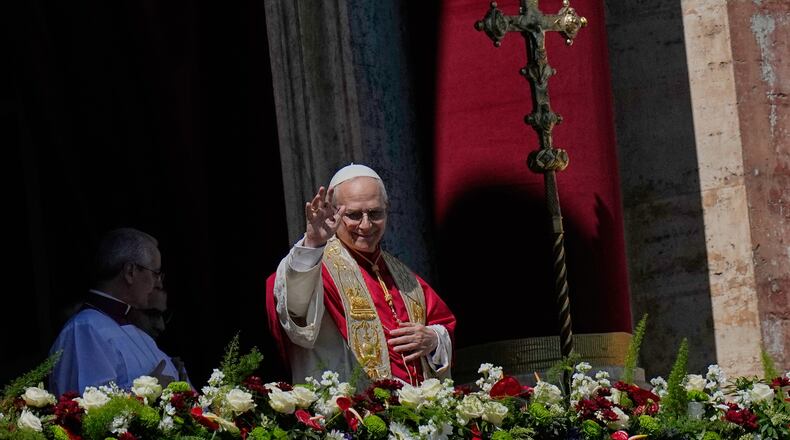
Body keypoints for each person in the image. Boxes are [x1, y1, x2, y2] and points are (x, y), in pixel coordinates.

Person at [267, 164, 456, 385]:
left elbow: (443, 324)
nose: (366, 225)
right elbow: (295, 311)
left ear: (387, 209)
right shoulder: (313, 264)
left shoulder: (403, 277)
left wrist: (433, 339)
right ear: (335, 213)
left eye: (375, 213)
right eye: (354, 215)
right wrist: (313, 243)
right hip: (350, 407)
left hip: (413, 410)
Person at [49, 228, 180, 396]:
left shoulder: (137, 332)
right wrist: (149, 394)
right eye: (155, 274)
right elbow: (86, 412)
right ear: (130, 272)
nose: (159, 284)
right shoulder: (84, 329)